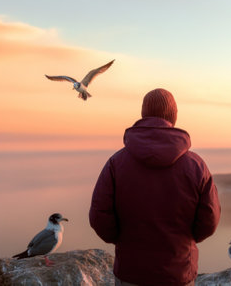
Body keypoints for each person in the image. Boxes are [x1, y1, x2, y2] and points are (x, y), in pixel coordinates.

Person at [89, 88, 221, 286]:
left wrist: (123, 241)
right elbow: (209, 221)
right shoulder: (196, 166)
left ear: (144, 114)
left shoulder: (116, 163)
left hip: (130, 272)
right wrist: (184, 242)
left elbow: (100, 217)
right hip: (178, 274)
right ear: (173, 117)